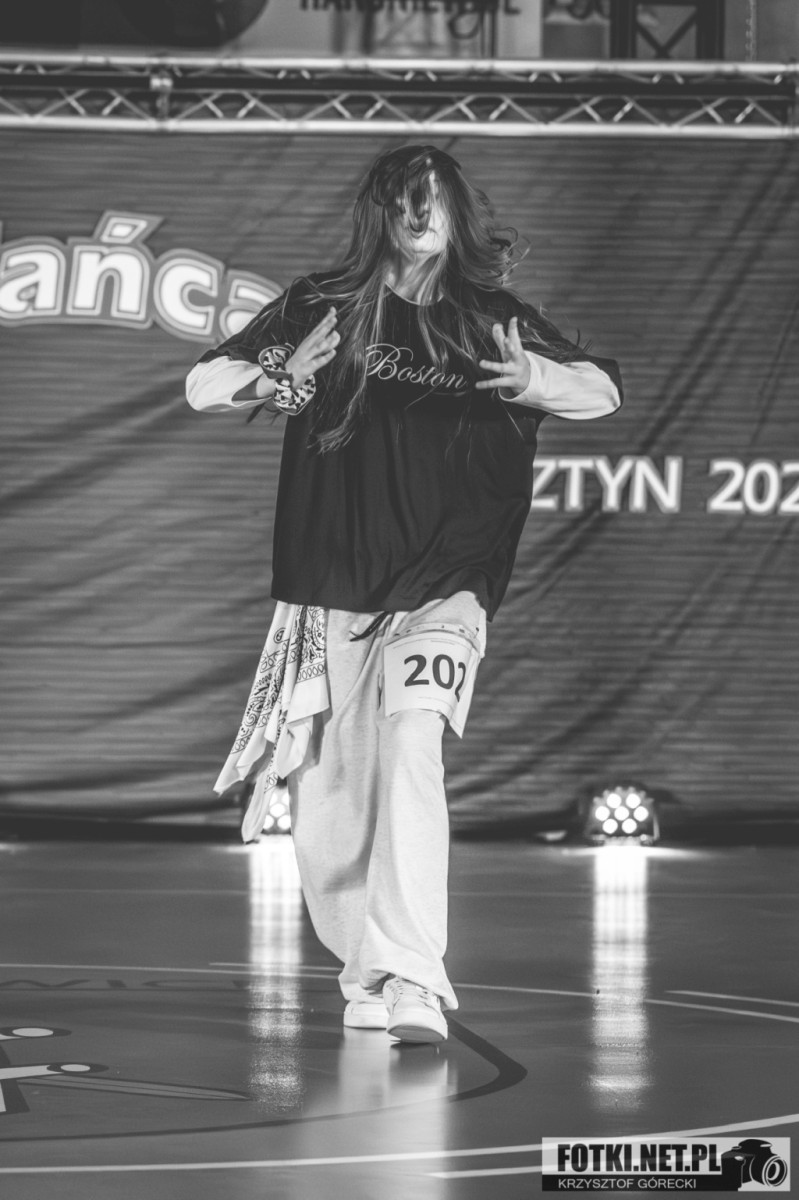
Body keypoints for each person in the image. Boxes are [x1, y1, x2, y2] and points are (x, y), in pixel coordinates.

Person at [186, 144, 622, 1045]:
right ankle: (368, 971)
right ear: (378, 214)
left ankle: (415, 979)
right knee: (332, 801)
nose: (419, 217)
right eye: (402, 201)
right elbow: (202, 383)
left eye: (433, 201)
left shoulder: (491, 320)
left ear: (457, 213)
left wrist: (532, 380)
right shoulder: (326, 304)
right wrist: (278, 376)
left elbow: (601, 390)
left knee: (413, 745)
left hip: (449, 582)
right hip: (336, 582)